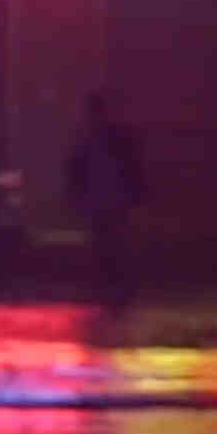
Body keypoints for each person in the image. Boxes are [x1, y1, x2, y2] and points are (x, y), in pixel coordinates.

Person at [64, 91, 144, 309]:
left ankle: (112, 289)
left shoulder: (94, 141)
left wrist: (75, 195)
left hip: (108, 201)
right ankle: (113, 290)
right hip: (109, 201)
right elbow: (132, 169)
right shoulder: (108, 141)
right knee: (111, 245)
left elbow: (77, 173)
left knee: (110, 246)